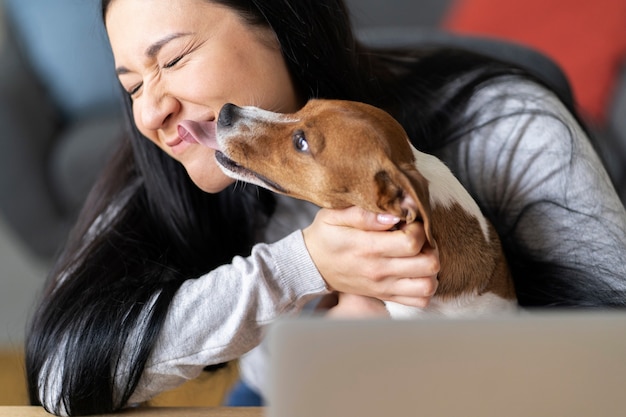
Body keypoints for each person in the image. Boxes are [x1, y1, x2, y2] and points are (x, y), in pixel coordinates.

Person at [25, 0, 626, 415]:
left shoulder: (508, 126)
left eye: (175, 59)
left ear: (284, 24)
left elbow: (612, 359)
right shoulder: (164, 165)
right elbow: (57, 379)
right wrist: (302, 267)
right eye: (131, 85)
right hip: (276, 400)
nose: (151, 110)